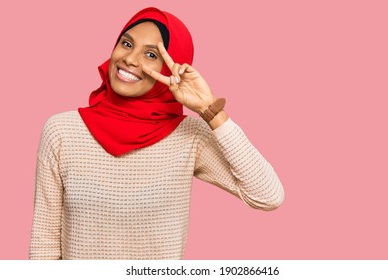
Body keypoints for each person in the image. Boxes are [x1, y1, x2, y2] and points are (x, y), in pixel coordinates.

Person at [29, 7, 284, 260]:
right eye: (126, 43)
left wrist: (210, 109)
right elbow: (45, 244)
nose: (130, 59)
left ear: (170, 69)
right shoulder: (62, 131)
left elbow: (267, 195)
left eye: (151, 54)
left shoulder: (189, 137)